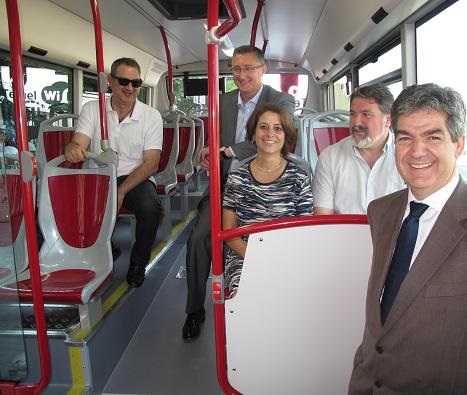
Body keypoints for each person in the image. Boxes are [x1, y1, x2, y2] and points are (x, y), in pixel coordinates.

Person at [349, 83, 467, 394]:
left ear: (458, 144)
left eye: (433, 136)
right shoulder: (381, 212)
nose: (417, 151)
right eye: (406, 138)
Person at [183, 45, 295, 339]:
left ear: (263, 69)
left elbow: (275, 137)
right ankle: (195, 309)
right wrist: (207, 152)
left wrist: (227, 151)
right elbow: (214, 142)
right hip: (225, 186)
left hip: (267, 188)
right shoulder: (223, 101)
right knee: (198, 239)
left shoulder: (281, 100)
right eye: (236, 69)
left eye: (248, 68)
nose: (242, 75)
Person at [64, 57, 163, 288]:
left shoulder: (151, 116)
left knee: (151, 209)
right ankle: (97, 252)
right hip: (99, 177)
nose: (130, 88)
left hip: (135, 177)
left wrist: (121, 191)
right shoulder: (92, 109)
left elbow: (151, 163)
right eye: (123, 81)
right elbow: (76, 143)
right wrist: (72, 149)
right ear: (110, 81)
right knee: (68, 207)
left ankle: (138, 263)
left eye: (136, 83)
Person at [222, 103, 313, 295]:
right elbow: (230, 233)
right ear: (253, 135)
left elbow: (304, 232)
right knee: (246, 297)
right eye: (263, 127)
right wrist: (257, 259)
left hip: (288, 257)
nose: (270, 134)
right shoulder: (237, 177)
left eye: (277, 128)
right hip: (244, 256)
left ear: (285, 135)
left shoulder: (299, 178)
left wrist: (279, 262)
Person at [313, 83, 405, 214]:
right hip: (343, 234)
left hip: (394, 234)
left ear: (388, 120)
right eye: (352, 114)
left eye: (366, 114)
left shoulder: (406, 155)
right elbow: (324, 219)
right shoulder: (329, 157)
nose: (356, 122)